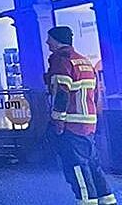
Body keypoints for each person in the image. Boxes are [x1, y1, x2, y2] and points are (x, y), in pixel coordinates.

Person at [45, 26, 117, 205]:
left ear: (57, 40)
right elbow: (96, 94)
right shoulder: (84, 61)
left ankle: (86, 202)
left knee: (76, 168)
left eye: (49, 39)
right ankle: (108, 200)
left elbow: (62, 92)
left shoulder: (62, 61)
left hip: (71, 124)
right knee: (93, 166)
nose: (47, 43)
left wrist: (58, 121)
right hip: (88, 123)